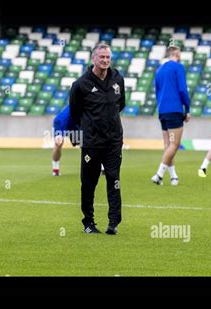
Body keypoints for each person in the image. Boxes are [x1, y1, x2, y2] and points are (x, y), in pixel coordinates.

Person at [70, 43, 125, 235]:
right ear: (93, 59)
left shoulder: (118, 79)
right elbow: (74, 114)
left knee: (114, 180)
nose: (105, 60)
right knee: (89, 183)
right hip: (92, 143)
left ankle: (113, 223)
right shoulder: (80, 85)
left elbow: (121, 105)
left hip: (113, 142)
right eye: (101, 57)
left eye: (108, 57)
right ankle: (89, 223)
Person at [151, 45, 190, 186]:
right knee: (174, 144)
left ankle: (174, 177)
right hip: (174, 110)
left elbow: (157, 92)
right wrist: (188, 108)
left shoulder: (159, 70)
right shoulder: (178, 67)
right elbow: (182, 89)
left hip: (163, 111)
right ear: (177, 54)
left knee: (168, 144)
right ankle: (159, 174)